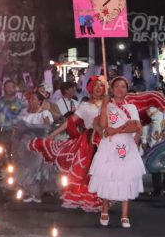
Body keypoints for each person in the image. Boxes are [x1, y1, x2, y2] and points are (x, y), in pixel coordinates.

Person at [28, 76, 107, 212]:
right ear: (90, 89)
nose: (98, 88)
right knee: (88, 172)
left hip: (106, 140)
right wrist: (52, 135)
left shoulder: (108, 104)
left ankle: (103, 198)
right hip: (89, 141)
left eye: (101, 85)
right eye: (96, 85)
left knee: (105, 172)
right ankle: (91, 199)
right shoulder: (84, 106)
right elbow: (70, 122)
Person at [87, 77, 145, 227]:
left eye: (123, 87)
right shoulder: (107, 105)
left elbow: (136, 127)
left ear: (127, 89)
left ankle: (124, 214)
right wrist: (105, 106)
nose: (120, 89)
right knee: (108, 176)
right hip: (110, 146)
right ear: (112, 89)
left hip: (126, 145)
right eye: (117, 86)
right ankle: (104, 209)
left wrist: (117, 130)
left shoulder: (131, 107)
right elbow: (104, 125)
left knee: (125, 176)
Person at [12, 92, 56, 203]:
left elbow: (47, 127)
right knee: (25, 167)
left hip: (38, 144)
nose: (31, 101)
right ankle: (28, 192)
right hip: (24, 145)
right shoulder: (24, 113)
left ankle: (37, 193)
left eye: (34, 99)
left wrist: (35, 128)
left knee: (37, 168)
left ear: (40, 101)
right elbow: (17, 128)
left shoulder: (44, 113)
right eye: (30, 99)